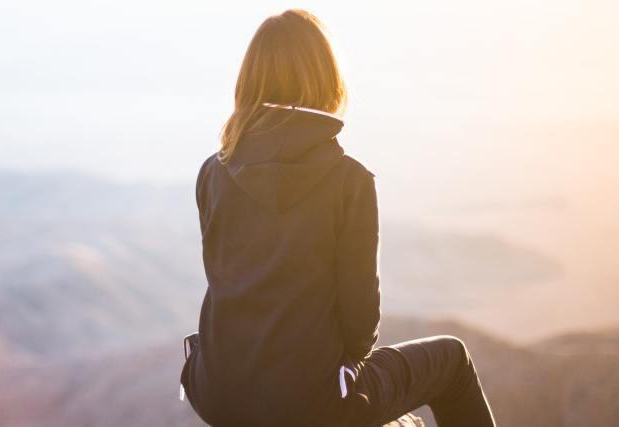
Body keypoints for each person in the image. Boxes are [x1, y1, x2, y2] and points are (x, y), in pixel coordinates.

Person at [179, 9, 497, 427]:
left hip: (219, 395)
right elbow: (360, 322)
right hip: (312, 404)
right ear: (326, 79)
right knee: (452, 359)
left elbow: (229, 284)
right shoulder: (350, 181)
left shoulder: (212, 172)